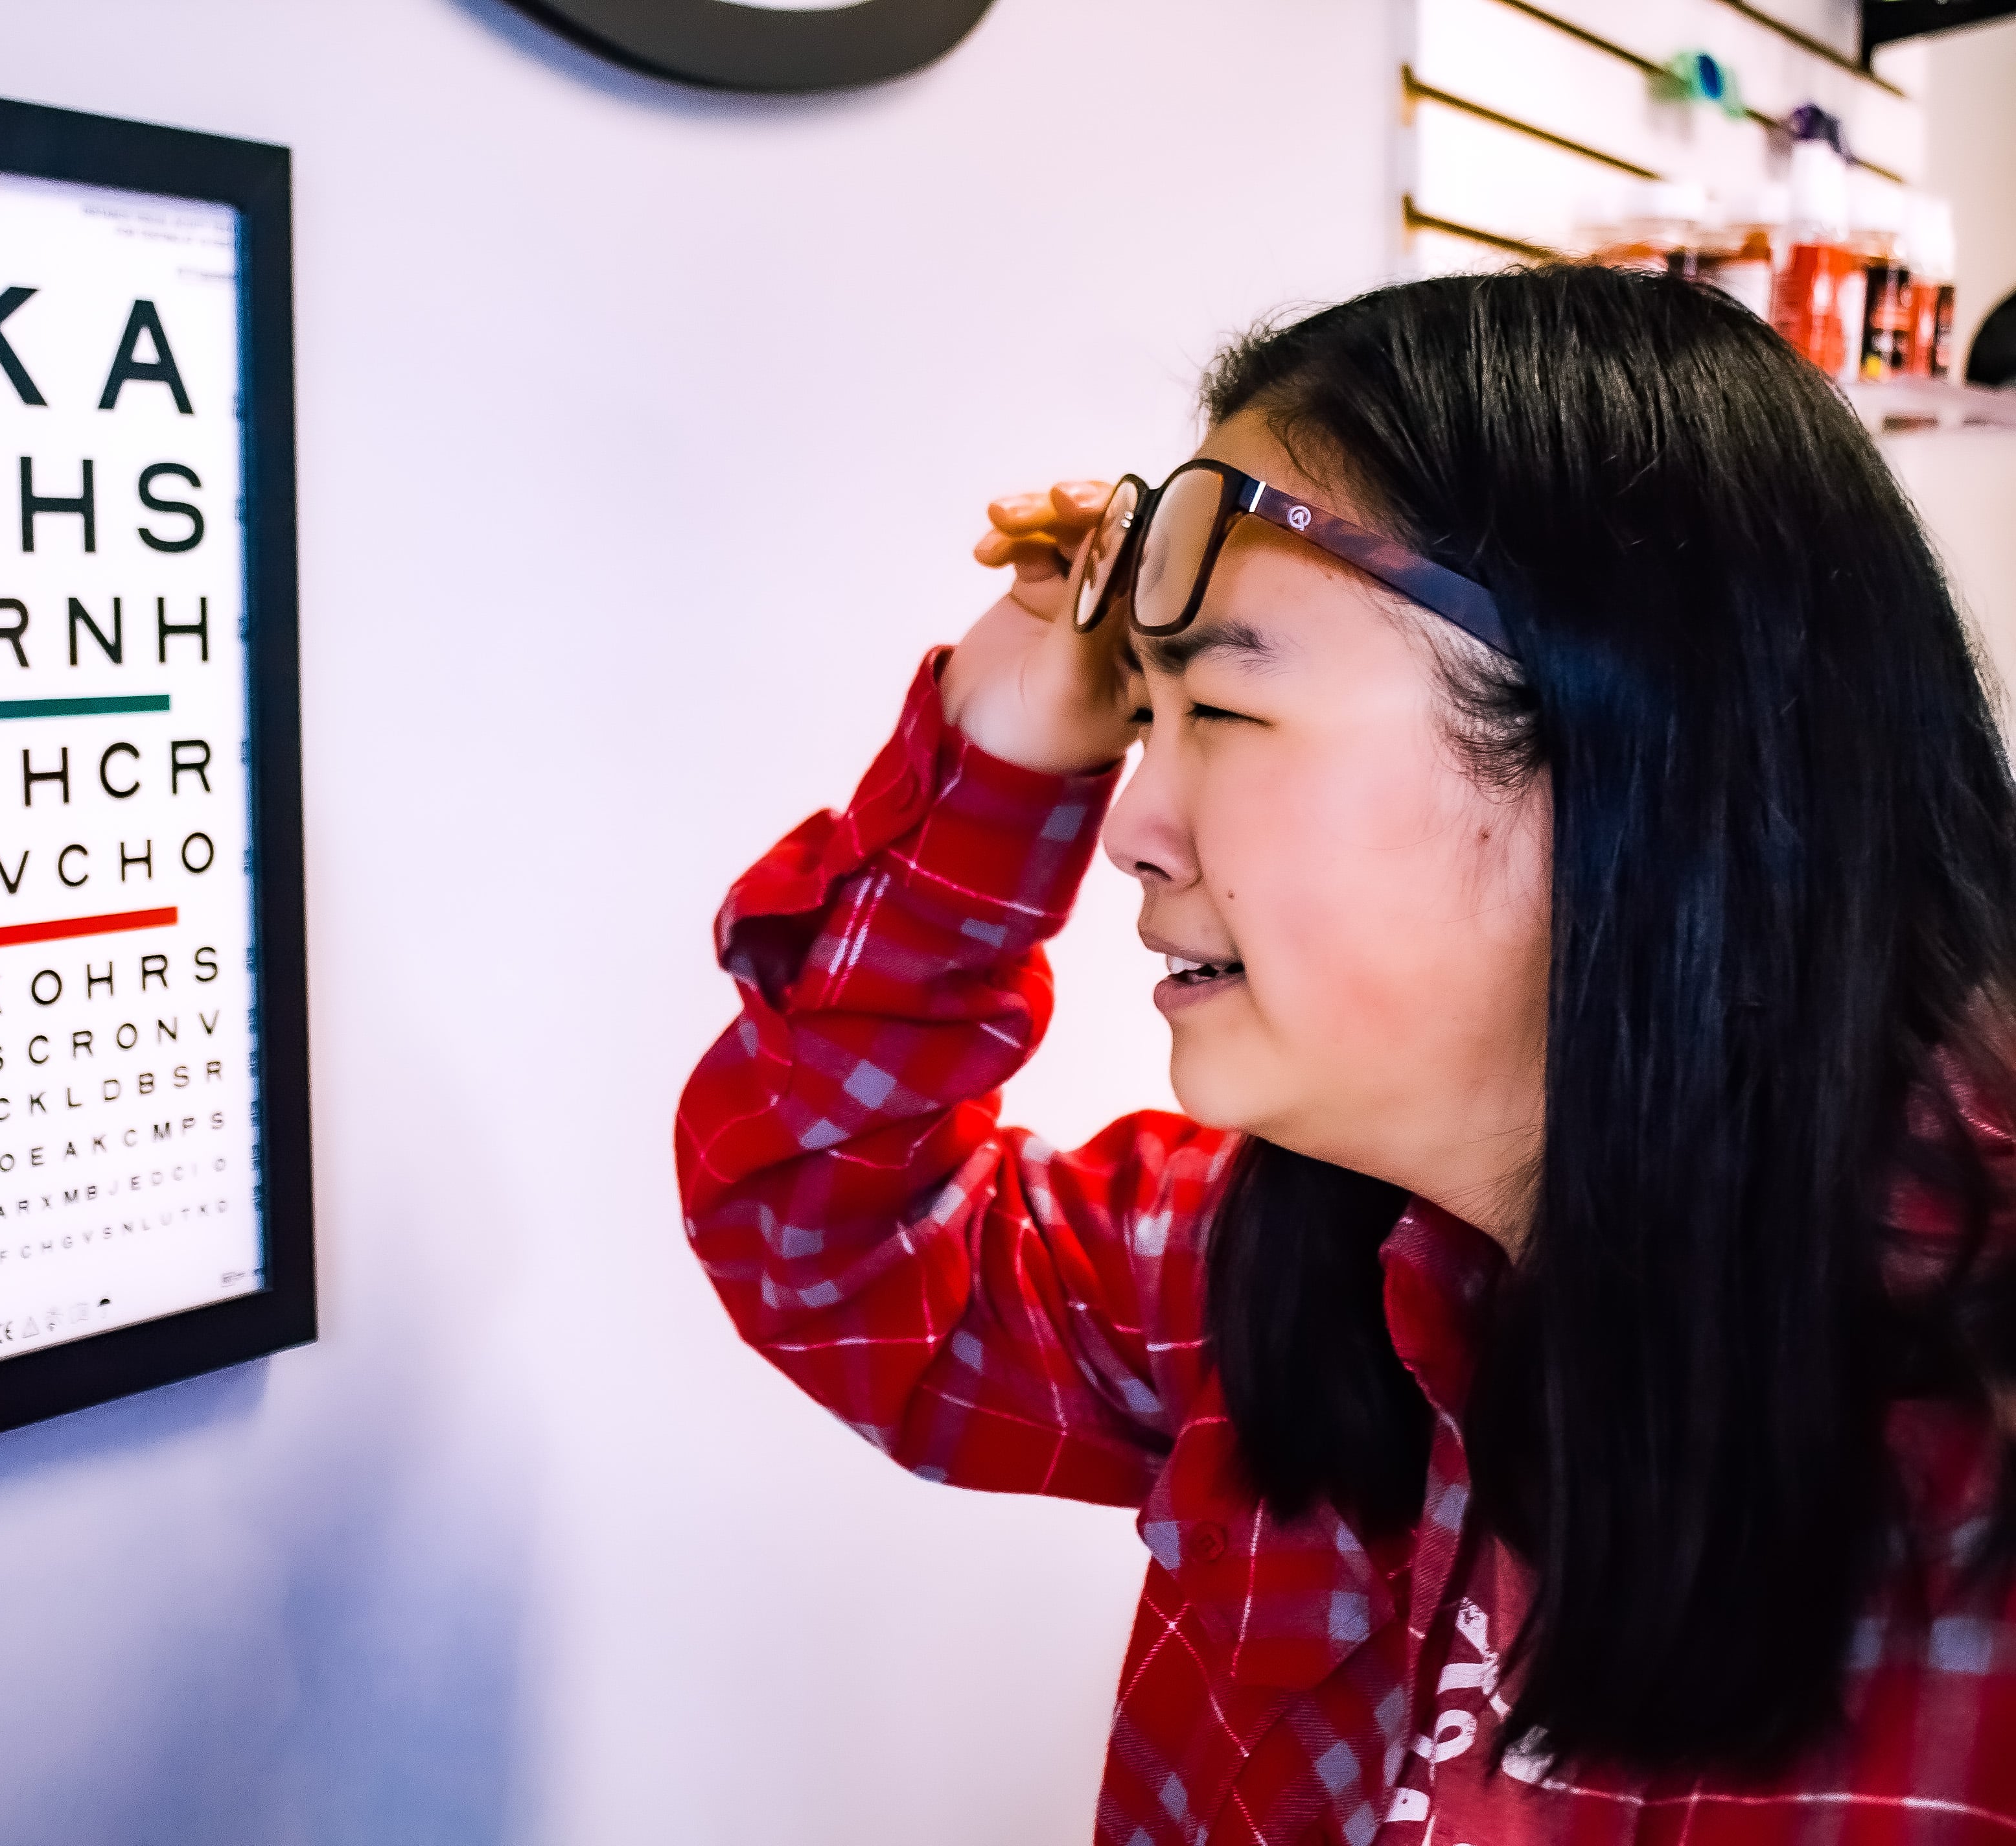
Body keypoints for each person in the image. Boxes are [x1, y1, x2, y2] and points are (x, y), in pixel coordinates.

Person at [673, 264, 2016, 1841]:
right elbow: (825, 1229)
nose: (1132, 826)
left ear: (1628, 742)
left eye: (1224, 712)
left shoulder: (1968, 1441)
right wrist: (1004, 738)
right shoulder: (1292, 1261)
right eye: (1137, 716)